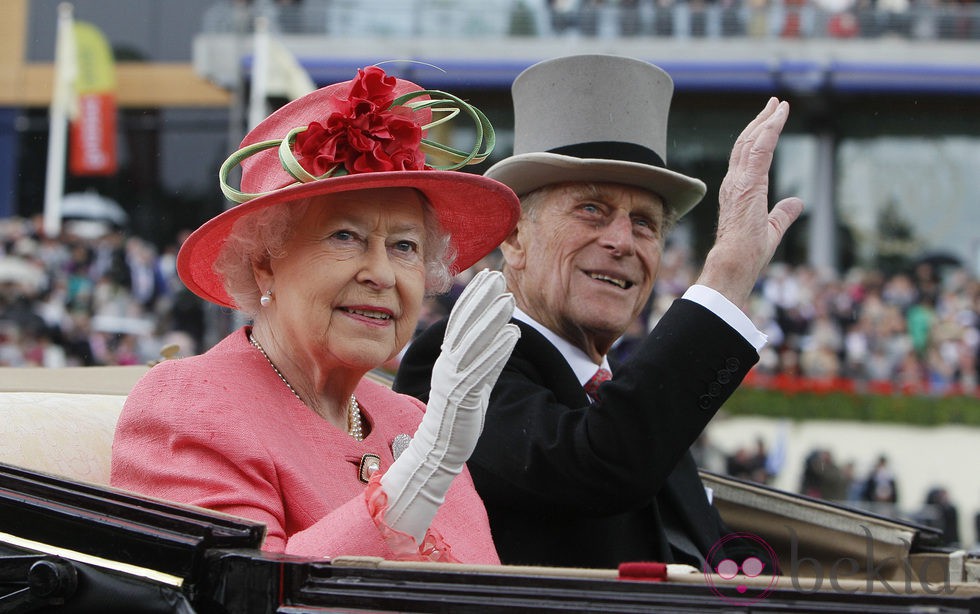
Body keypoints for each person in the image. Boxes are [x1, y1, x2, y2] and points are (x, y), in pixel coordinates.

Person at [395, 54, 804, 569]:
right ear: (516, 237)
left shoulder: (623, 397)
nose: (621, 242)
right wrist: (724, 281)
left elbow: (706, 550)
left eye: (644, 224)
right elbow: (596, 467)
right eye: (592, 209)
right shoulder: (456, 359)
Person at [110, 66, 522, 564]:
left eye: (405, 246)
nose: (382, 274)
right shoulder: (188, 404)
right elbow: (242, 593)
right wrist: (421, 472)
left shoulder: (408, 418)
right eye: (345, 237)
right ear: (264, 263)